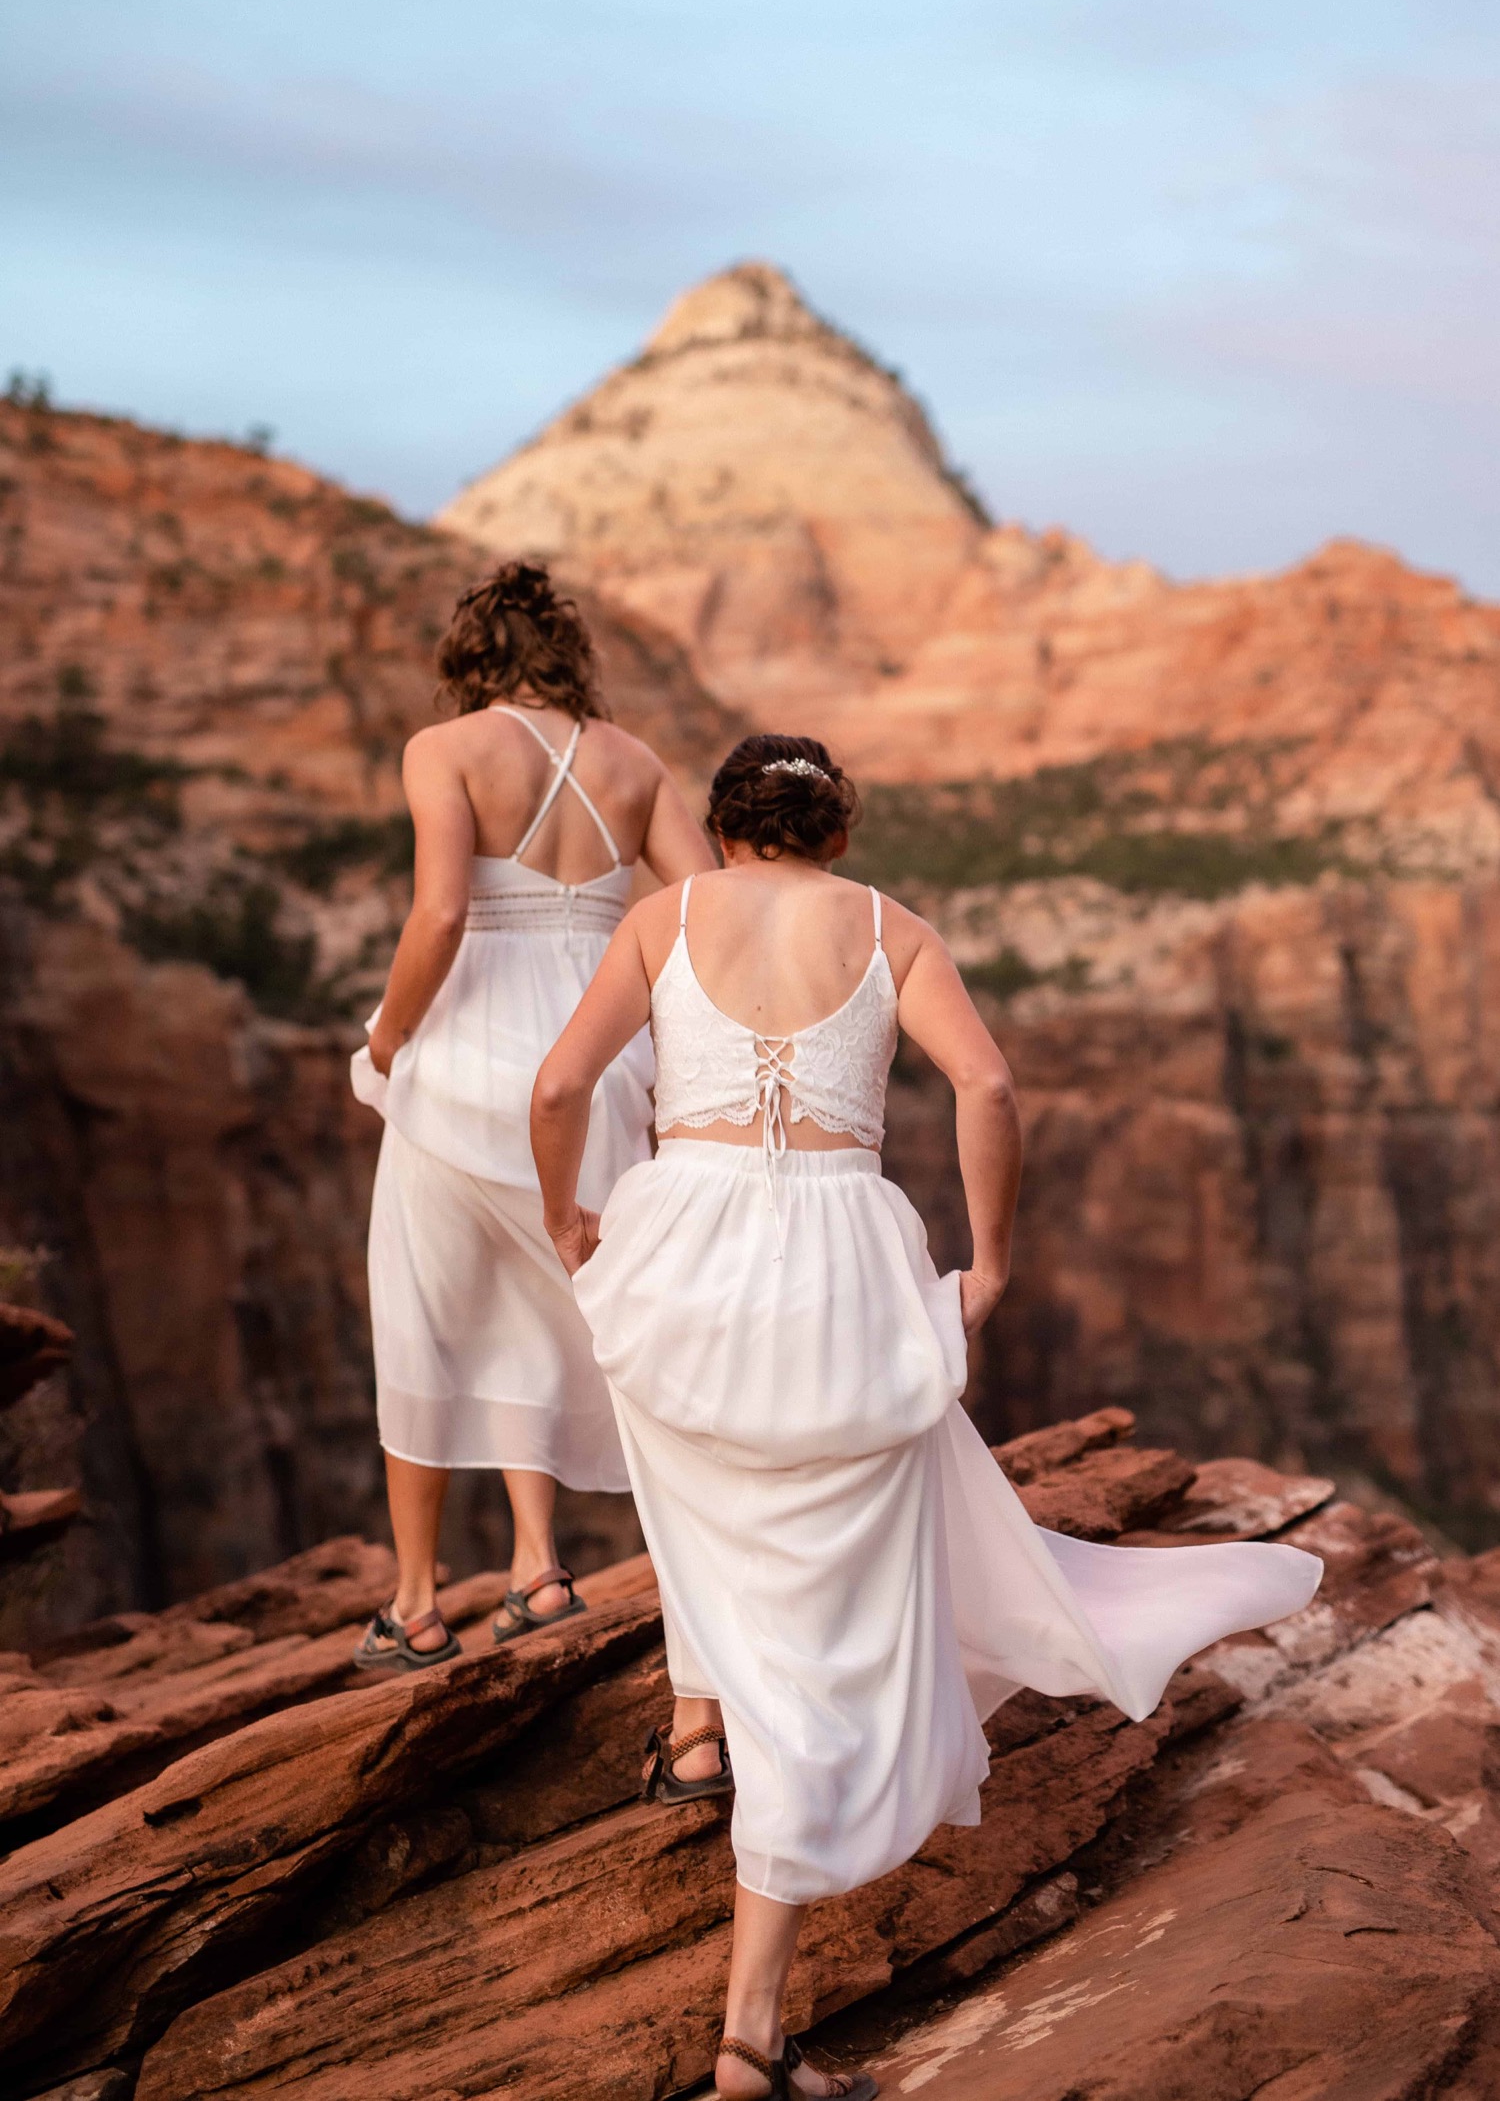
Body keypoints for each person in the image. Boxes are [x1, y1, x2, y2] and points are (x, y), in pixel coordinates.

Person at [530, 732, 1325, 2101]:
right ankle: (744, 2011)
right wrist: (993, 1258)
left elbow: (555, 1089)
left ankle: (705, 1733)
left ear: (723, 830)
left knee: (701, 1499)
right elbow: (991, 1086)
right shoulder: (895, 929)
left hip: (682, 1253)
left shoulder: (663, 915)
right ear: (835, 834)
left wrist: (567, 1221)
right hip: (844, 1267)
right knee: (829, 1610)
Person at [349, 562, 715, 1667]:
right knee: (555, 1314)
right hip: (596, 1070)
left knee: (427, 1311)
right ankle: (538, 1567)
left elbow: (443, 910)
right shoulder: (636, 764)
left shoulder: (444, 750)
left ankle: (415, 1601)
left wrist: (386, 1038)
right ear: (571, 653)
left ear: (470, 655)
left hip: (465, 1060)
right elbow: (703, 916)